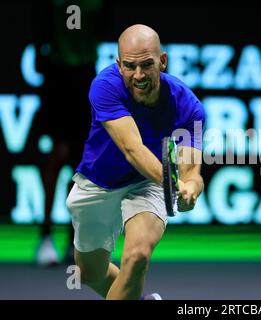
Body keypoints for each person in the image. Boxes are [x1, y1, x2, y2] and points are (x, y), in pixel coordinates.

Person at [65, 24, 205, 300]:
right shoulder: (104, 86)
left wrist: (190, 187)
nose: (138, 75)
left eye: (146, 65)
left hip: (147, 184)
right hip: (99, 182)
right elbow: (132, 150)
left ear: (162, 61)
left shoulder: (190, 107)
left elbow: (191, 170)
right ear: (118, 65)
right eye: (130, 66)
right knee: (89, 273)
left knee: (137, 255)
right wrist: (173, 184)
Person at [35, 0, 105, 266]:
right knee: (57, 155)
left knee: (80, 163)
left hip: (84, 78)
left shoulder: (97, 4)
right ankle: (45, 237)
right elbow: (41, 29)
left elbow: (102, 30)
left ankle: (73, 241)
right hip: (57, 78)